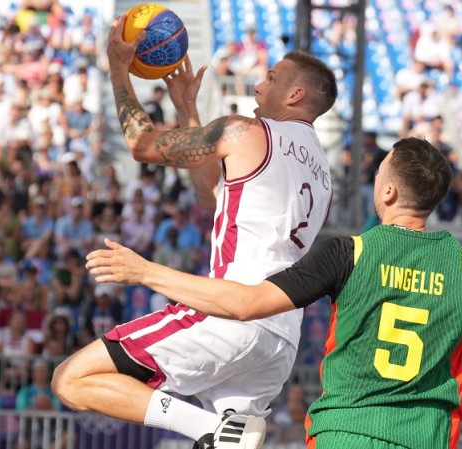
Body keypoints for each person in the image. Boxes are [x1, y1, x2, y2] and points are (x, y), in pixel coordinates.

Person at [84, 137, 462, 449]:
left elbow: (244, 303)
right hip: (425, 437)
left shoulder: (351, 252)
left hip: (344, 434)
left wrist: (146, 272)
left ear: (387, 193)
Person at [52, 15, 338, 449]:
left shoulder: (245, 129)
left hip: (229, 309)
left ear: (295, 94)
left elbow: (141, 145)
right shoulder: (324, 173)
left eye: (271, 77)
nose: (259, 86)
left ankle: (205, 427)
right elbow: (211, 196)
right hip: (280, 335)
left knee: (73, 379)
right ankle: (215, 431)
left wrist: (116, 67)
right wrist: (188, 110)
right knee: (233, 444)